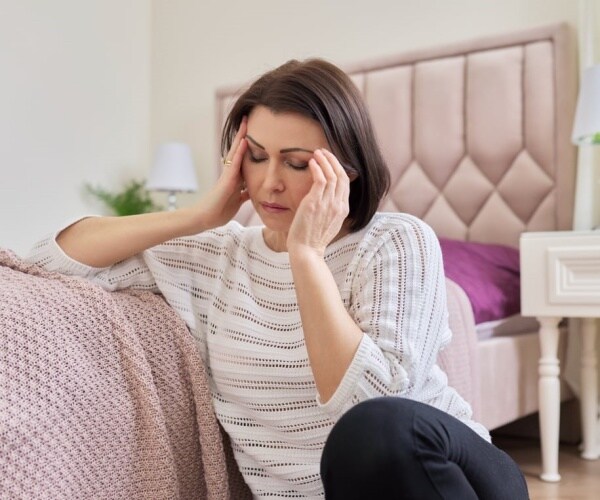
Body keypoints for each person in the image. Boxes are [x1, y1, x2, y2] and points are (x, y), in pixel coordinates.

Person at [28, 58, 529, 499]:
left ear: (347, 171)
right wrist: (200, 216)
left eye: (296, 163)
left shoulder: (396, 242)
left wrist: (305, 256)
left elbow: (375, 408)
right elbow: (53, 259)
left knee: (374, 429)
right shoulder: (220, 257)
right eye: (257, 156)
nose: (270, 182)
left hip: (450, 477)